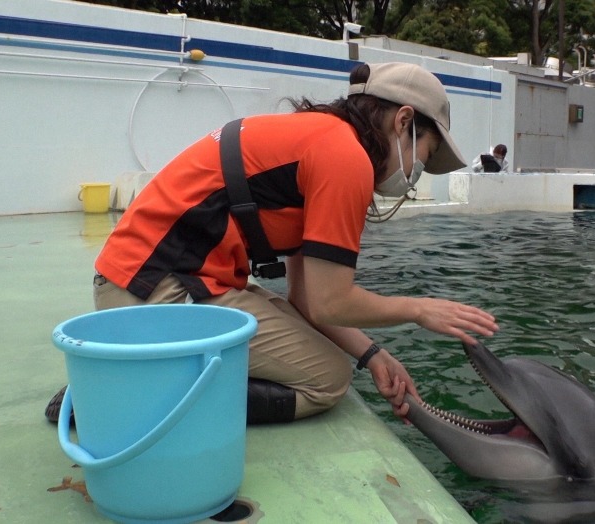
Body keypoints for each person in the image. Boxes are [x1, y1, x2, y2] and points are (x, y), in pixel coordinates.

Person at [45, 62, 497, 425]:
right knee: (327, 380)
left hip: (136, 281)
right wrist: (418, 309)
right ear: (404, 121)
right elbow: (332, 302)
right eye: (425, 154)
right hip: (153, 292)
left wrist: (374, 355)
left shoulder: (321, 138)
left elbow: (309, 299)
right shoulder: (345, 159)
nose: (416, 173)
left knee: (323, 355)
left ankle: (135, 378)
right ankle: (121, 395)